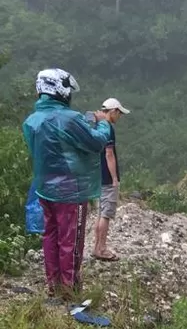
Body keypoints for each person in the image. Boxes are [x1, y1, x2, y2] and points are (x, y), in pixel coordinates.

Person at [23, 68, 112, 298]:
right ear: (61, 90)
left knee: (50, 236)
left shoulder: (33, 120)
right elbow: (95, 143)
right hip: (71, 192)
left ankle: (54, 286)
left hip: (45, 189)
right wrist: (103, 123)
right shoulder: (69, 119)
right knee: (70, 240)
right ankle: (70, 290)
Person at [92, 98, 130, 262]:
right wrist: (114, 179)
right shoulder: (108, 128)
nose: (119, 117)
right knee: (106, 214)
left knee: (100, 213)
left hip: (96, 176)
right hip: (107, 177)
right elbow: (109, 154)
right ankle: (101, 248)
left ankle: (96, 247)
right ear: (113, 111)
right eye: (119, 113)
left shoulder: (97, 126)